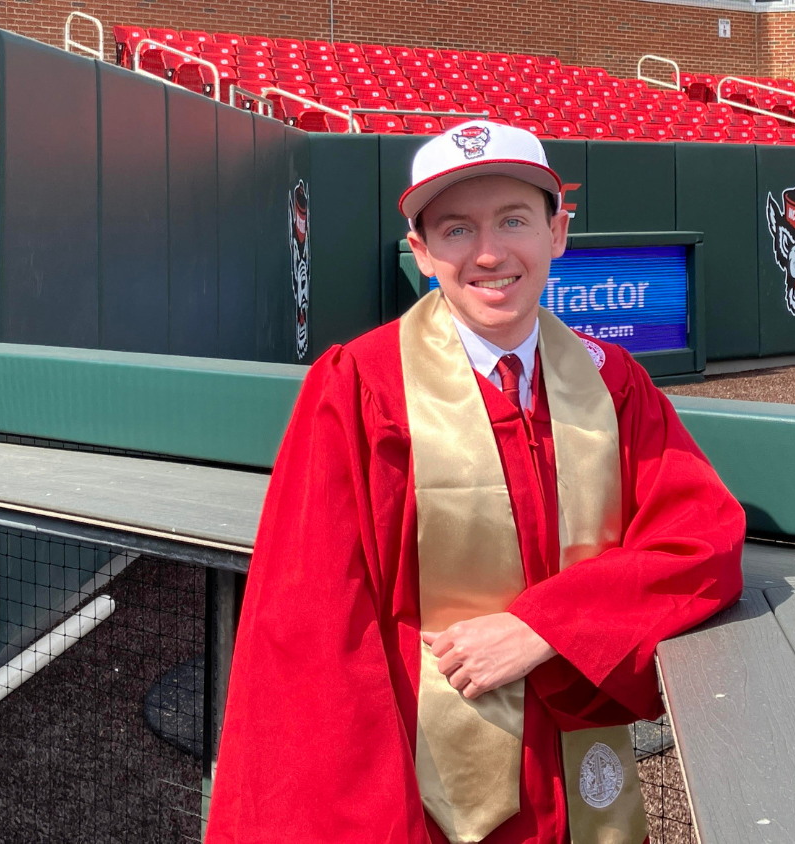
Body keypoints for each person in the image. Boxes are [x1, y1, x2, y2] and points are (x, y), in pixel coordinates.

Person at [206, 121, 744, 844]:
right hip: (426, 786)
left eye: (514, 220)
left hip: (574, 772)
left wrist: (544, 625)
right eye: (456, 230)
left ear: (559, 230)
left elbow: (697, 541)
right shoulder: (362, 390)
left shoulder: (613, 387)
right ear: (422, 253)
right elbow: (313, 635)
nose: (489, 253)